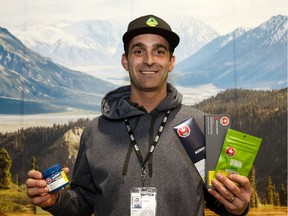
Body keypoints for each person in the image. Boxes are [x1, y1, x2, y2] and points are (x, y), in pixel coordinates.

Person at [26, 14, 252, 215]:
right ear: (126, 61)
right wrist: (55, 200)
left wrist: (238, 206)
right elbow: (84, 202)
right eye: (138, 51)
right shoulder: (96, 131)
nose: (149, 60)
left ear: (171, 62)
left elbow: (220, 200)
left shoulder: (201, 126)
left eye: (159, 51)